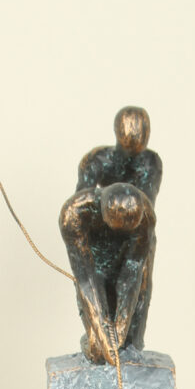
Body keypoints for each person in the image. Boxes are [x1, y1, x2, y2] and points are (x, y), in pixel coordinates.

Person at [59, 107, 162, 364]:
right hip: (98, 238)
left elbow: (131, 273)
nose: (133, 154)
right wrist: (103, 331)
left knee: (130, 336)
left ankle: (129, 352)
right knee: (99, 342)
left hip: (135, 234)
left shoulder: (150, 169)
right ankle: (102, 347)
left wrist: (120, 329)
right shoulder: (76, 210)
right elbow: (86, 278)